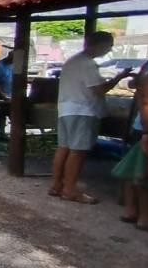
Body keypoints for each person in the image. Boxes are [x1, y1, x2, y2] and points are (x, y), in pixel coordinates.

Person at [49, 31, 133, 204]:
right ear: (100, 45)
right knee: (77, 152)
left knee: (63, 148)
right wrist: (119, 77)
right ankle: (70, 190)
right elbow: (100, 90)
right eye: (109, 46)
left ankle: (56, 184)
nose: (108, 50)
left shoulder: (72, 61)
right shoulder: (87, 64)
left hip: (67, 109)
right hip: (83, 111)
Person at [115, 60, 148, 231]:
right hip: (146, 128)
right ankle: (143, 215)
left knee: (136, 170)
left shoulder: (147, 66)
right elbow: (147, 100)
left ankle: (132, 210)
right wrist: (147, 132)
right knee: (141, 172)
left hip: (143, 127)